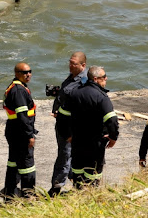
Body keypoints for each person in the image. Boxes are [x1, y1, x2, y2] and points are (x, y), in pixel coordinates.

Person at [57, 66, 119, 188]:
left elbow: (61, 116)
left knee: (78, 171)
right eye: (104, 77)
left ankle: (78, 194)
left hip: (77, 141)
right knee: (93, 174)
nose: (106, 79)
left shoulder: (74, 93)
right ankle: (91, 196)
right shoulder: (101, 97)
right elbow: (112, 119)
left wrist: (66, 135)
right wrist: (113, 137)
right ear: (95, 79)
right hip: (96, 143)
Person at [49, 51, 88, 197]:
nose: (70, 65)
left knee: (64, 156)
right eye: (70, 62)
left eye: (74, 63)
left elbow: (82, 105)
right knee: (69, 155)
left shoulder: (84, 82)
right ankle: (78, 183)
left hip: (71, 127)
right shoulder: (71, 77)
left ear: (83, 65)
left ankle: (56, 188)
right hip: (62, 123)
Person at [2, 62, 37, 198]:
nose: (28, 74)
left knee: (14, 163)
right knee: (27, 165)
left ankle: (10, 194)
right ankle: (28, 196)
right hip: (20, 132)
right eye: (24, 72)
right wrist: (30, 135)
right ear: (17, 74)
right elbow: (23, 116)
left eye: (29, 71)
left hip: (14, 130)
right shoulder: (18, 91)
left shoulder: (17, 87)